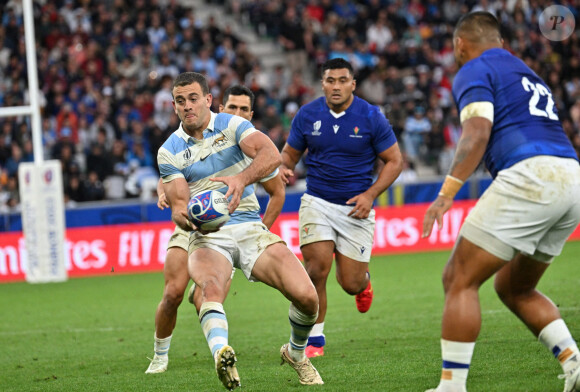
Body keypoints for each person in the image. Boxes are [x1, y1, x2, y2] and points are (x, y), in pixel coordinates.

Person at [422, 12, 580, 392]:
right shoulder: (527, 71)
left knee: (458, 278)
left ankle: (451, 387)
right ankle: (574, 362)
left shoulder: (474, 68)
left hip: (529, 175)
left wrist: (445, 195)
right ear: (502, 43)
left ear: (461, 45)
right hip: (571, 176)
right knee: (514, 287)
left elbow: (477, 133)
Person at [155, 72, 323, 390]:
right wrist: (184, 216)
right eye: (180, 101)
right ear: (174, 106)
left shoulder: (232, 125)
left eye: (193, 98)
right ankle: (222, 353)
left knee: (307, 297)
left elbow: (271, 154)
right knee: (209, 289)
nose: (187, 106)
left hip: (247, 225)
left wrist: (240, 180)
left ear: (208, 99)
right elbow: (178, 203)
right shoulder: (169, 151)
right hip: (207, 233)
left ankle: (296, 354)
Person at [146, 85, 286, 375]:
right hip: (191, 223)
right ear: (220, 107)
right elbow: (171, 178)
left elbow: (277, 193)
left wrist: (258, 237)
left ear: (250, 114)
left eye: (243, 110)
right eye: (231, 108)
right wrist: (166, 193)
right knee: (172, 293)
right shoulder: (181, 143)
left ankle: (220, 350)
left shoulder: (248, 145)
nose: (236, 113)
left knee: (209, 295)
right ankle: (160, 356)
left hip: (233, 227)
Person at [280, 58, 403, 358]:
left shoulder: (371, 116)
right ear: (322, 83)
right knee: (316, 270)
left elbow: (395, 161)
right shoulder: (307, 115)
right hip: (317, 202)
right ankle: (315, 340)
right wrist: (284, 168)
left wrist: (371, 194)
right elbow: (289, 155)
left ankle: (364, 283)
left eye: (342, 80)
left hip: (355, 208)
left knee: (349, 283)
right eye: (330, 80)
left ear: (353, 84)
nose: (336, 86)